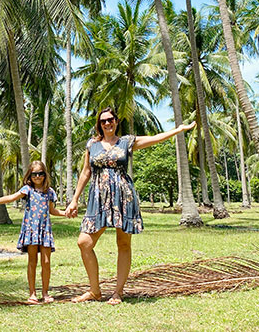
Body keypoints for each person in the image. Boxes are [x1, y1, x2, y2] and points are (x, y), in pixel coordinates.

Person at [65, 107, 196, 304]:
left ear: (116, 121)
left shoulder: (126, 142)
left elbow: (156, 138)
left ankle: (118, 292)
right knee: (84, 242)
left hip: (123, 197)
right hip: (98, 198)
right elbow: (85, 172)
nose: (107, 123)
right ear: (99, 124)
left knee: (123, 244)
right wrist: (74, 199)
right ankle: (94, 291)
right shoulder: (92, 144)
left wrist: (178, 130)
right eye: (103, 121)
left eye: (110, 120)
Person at [0, 160, 65, 304]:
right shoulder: (27, 190)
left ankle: (45, 293)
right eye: (34, 174)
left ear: (45, 175)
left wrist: (65, 213)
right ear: (30, 175)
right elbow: (11, 197)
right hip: (31, 230)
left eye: (40, 173)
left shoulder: (50, 192)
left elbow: (52, 210)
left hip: (45, 230)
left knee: (46, 262)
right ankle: (32, 293)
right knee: (32, 261)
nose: (37, 177)